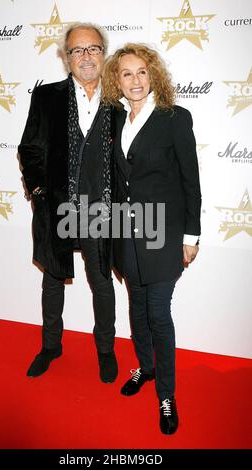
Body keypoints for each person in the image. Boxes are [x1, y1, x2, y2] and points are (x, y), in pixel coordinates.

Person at [102, 43, 201, 434]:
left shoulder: (175, 118)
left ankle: (166, 394)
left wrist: (191, 235)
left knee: (159, 315)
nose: (135, 80)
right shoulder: (116, 122)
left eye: (142, 71)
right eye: (126, 73)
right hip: (127, 235)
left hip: (164, 235)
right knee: (137, 310)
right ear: (117, 81)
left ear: (153, 74)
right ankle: (144, 367)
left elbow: (191, 181)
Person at [18, 23, 118, 383]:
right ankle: (50, 345)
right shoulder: (46, 96)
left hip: (102, 210)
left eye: (93, 48)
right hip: (57, 206)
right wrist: (40, 193)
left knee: (101, 280)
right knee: (52, 279)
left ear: (104, 53)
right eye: (77, 50)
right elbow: (29, 147)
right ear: (66, 57)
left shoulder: (121, 98)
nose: (86, 57)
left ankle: (105, 350)